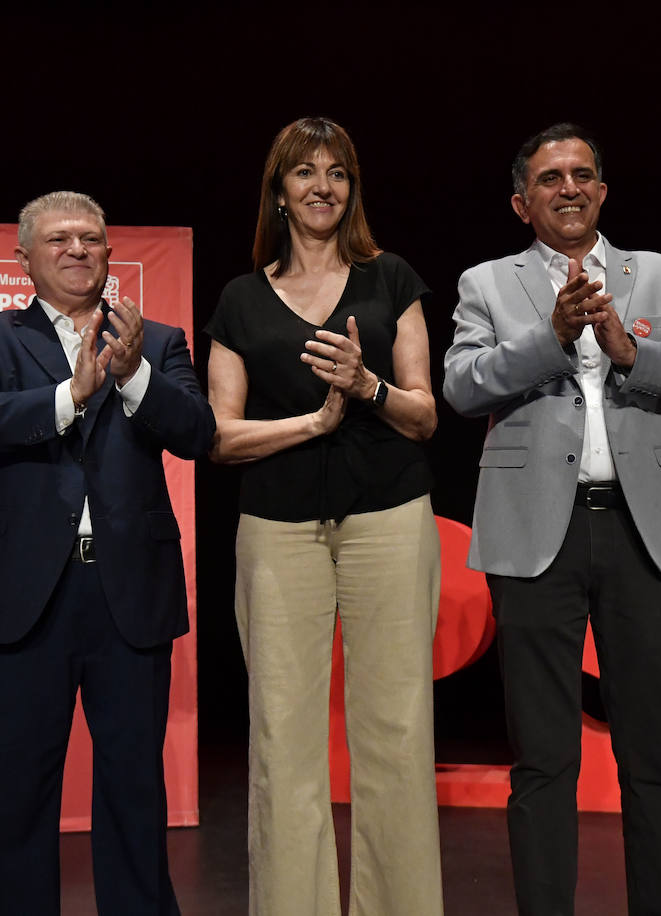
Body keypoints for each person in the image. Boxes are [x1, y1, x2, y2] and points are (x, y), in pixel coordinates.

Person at [443, 123, 661, 915]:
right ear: (521, 201)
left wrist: (634, 352)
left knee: (658, 759)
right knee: (543, 760)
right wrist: (553, 338)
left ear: (602, 191)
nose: (567, 187)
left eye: (581, 175)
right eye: (548, 178)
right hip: (537, 536)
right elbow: (463, 387)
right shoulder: (487, 283)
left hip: (647, 536)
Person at [0, 191, 214, 915]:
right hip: (20, 596)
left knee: (133, 791)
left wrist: (134, 378)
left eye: (90, 238)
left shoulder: (156, 340)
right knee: (11, 795)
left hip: (127, 593)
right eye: (58, 238)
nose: (77, 250)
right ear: (23, 257)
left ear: (108, 252)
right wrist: (69, 394)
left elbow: (196, 431)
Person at [205, 117, 444, 916]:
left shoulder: (392, 279)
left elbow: (424, 414)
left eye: (337, 172)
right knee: (284, 740)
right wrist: (311, 424)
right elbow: (220, 435)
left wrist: (366, 385)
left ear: (353, 189)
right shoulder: (241, 299)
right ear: (279, 191)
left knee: (397, 734)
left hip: (388, 517)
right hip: (278, 529)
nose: (322, 186)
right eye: (304, 172)